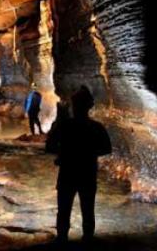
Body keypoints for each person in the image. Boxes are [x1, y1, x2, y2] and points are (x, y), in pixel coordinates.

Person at [46, 85, 112, 244]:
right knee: (88, 210)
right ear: (90, 106)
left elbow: (49, 147)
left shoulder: (64, 125)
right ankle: (87, 239)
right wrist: (89, 154)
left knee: (64, 210)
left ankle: (62, 239)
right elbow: (106, 149)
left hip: (67, 173)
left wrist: (64, 153)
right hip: (88, 173)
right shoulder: (97, 127)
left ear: (73, 106)